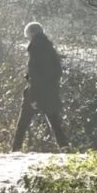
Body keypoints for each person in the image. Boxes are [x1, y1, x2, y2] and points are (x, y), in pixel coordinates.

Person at [11, 22, 68, 152]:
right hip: (50, 92)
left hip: (35, 92)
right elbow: (57, 72)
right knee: (55, 123)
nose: (27, 39)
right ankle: (64, 148)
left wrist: (33, 97)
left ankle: (15, 150)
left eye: (27, 36)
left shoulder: (34, 48)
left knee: (23, 124)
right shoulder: (50, 48)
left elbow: (35, 75)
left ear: (31, 34)